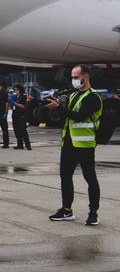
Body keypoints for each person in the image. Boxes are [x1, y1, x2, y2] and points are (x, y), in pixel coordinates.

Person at [43, 64, 103, 225]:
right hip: (69, 142)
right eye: (72, 77)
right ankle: (66, 210)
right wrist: (57, 108)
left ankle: (93, 212)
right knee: (65, 176)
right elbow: (67, 117)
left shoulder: (93, 97)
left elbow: (79, 116)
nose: (73, 80)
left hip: (84, 144)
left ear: (85, 77)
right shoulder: (74, 95)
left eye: (76, 77)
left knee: (89, 177)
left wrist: (59, 108)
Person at [10, 84, 31, 150]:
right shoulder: (15, 97)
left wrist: (15, 103)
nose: (16, 91)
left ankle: (28, 145)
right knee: (16, 130)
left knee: (23, 130)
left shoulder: (23, 97)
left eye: (17, 90)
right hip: (15, 114)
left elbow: (23, 106)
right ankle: (20, 144)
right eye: (15, 90)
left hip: (21, 115)